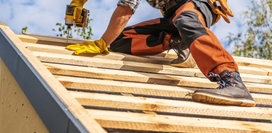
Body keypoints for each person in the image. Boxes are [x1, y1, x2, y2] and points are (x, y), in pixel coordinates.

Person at [66, 0, 256, 107]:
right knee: (119, 40)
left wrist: (101, 43)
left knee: (186, 19)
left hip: (196, 4)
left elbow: (125, 10)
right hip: (174, 16)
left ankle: (231, 80)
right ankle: (178, 40)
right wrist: (79, 2)